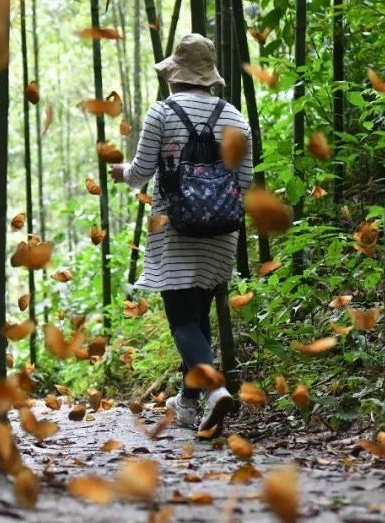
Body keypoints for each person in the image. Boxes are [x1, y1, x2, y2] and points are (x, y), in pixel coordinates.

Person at [109, 33, 253, 435]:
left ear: (176, 75)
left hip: (174, 227)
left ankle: (212, 389)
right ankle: (188, 404)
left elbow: (139, 173)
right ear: (208, 77)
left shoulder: (162, 113)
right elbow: (245, 180)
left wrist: (122, 172)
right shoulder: (234, 117)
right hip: (222, 230)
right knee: (198, 317)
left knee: (181, 321)